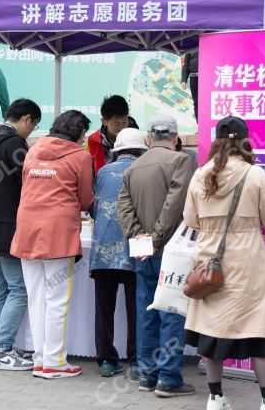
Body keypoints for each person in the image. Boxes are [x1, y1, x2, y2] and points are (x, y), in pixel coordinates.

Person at [183, 116, 265, 410]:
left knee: (212, 334)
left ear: (216, 141)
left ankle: (215, 398)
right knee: (256, 334)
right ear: (245, 141)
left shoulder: (200, 174)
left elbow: (191, 219)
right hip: (247, 264)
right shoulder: (255, 176)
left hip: (209, 263)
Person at [11, 110, 94, 378]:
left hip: (27, 229)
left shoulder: (32, 151)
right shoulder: (80, 157)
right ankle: (54, 362)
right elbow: (85, 199)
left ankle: (39, 357)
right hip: (58, 232)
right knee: (57, 299)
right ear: (79, 132)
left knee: (36, 299)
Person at [118, 114, 195, 397]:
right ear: (174, 138)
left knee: (146, 312)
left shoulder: (132, 167)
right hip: (171, 251)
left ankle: (147, 374)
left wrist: (141, 240)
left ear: (149, 139)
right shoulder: (181, 161)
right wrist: (156, 239)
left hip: (142, 253)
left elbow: (124, 210)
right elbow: (175, 205)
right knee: (171, 312)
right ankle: (168, 377)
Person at [0, 98, 41, 371]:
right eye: (34, 125)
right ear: (26, 119)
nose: (32, 132)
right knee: (19, 289)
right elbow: (26, 185)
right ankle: (2, 349)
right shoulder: (15, 145)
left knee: (2, 288)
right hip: (11, 224)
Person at [89, 128, 147, 379]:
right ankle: (136, 362)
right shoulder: (142, 172)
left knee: (104, 308)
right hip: (133, 249)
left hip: (102, 249)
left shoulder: (102, 172)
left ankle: (106, 360)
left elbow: (94, 208)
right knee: (137, 308)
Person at [86, 95, 139, 173]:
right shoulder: (93, 141)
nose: (121, 127)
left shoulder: (137, 139)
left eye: (124, 122)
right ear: (104, 121)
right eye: (116, 124)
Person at [180, 51, 199, 120]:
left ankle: (207, 125)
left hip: (207, 78)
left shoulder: (209, 44)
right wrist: (184, 80)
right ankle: (200, 126)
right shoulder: (191, 47)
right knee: (197, 103)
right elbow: (185, 65)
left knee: (207, 102)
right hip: (194, 79)